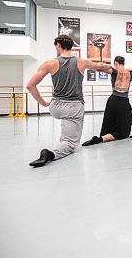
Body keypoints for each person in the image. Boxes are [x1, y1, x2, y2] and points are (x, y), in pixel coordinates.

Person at [27, 35, 111, 167]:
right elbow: (102, 67)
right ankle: (49, 153)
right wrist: (119, 69)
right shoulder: (81, 62)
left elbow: (30, 85)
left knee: (67, 130)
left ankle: (63, 139)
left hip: (55, 106)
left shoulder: (50, 63)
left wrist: (43, 103)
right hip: (73, 107)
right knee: (71, 143)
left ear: (59, 45)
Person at [81, 56, 132, 146]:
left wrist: (106, 66)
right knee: (124, 132)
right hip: (124, 101)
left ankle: (101, 138)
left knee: (108, 123)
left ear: (116, 63)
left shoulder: (114, 71)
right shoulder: (130, 73)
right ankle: (103, 138)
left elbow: (99, 68)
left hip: (113, 100)